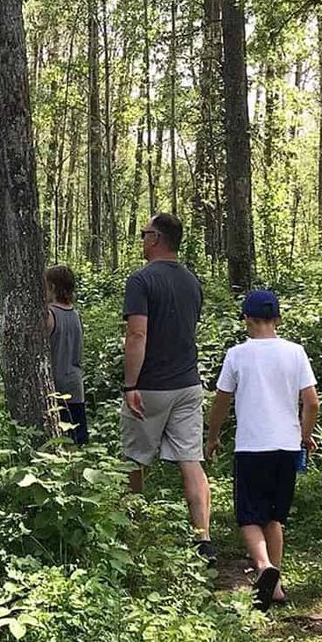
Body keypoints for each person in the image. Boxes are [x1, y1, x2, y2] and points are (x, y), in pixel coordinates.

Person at [205, 289, 319, 611]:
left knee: (248, 516)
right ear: (278, 319)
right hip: (286, 445)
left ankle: (264, 567)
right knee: (275, 517)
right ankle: (277, 587)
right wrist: (304, 436)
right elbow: (311, 402)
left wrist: (212, 437)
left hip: (252, 447)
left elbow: (221, 403)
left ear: (246, 320)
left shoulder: (237, 355)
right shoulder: (296, 353)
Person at [121, 212, 213, 562]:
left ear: (156, 238)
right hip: (189, 384)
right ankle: (203, 538)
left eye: (144, 233)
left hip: (151, 387)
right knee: (191, 461)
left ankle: (131, 529)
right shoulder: (193, 281)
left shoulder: (141, 280)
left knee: (134, 459)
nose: (142, 239)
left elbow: (137, 334)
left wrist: (131, 384)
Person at [45, 264, 87, 445]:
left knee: (60, 440)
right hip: (76, 385)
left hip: (56, 386)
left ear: (52, 287)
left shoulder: (49, 315)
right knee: (77, 440)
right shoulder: (75, 314)